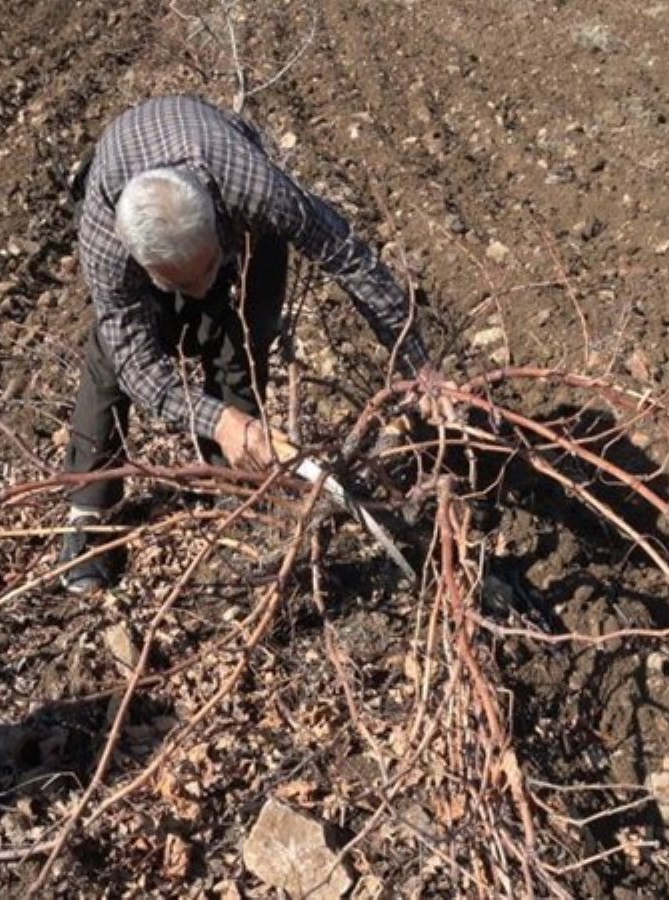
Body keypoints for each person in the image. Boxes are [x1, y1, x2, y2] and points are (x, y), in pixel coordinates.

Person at [58, 94, 440, 593]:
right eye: (181, 282)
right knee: (110, 359)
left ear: (222, 223)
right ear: (142, 264)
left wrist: (420, 368)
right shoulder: (106, 243)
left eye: (209, 269)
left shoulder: (253, 189)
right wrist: (214, 417)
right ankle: (88, 514)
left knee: (243, 332)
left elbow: (349, 258)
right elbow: (136, 361)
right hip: (137, 205)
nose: (199, 290)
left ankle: (236, 490)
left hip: (227, 195)